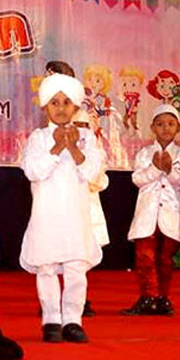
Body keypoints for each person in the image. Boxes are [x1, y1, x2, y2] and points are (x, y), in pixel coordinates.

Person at [20, 73, 103, 343]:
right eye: (54, 102)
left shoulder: (87, 137)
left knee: (76, 268)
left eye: (67, 102)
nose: (60, 108)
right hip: (46, 214)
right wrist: (57, 147)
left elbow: (93, 173)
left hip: (76, 215)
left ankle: (73, 320)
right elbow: (33, 171)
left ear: (76, 106)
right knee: (46, 267)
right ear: (45, 106)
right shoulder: (38, 138)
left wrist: (74, 148)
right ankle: (51, 320)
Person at [122, 104, 180, 316]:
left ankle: (162, 298)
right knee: (145, 256)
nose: (166, 128)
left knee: (165, 259)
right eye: (160, 124)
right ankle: (148, 297)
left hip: (170, 215)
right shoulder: (145, 154)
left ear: (178, 128)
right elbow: (137, 179)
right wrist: (155, 168)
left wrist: (170, 170)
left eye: (171, 124)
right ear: (153, 127)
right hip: (147, 215)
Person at [73, 110, 109, 317]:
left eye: (85, 125)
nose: (81, 130)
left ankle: (80, 299)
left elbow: (99, 180)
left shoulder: (97, 151)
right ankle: (55, 299)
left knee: (83, 258)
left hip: (88, 206)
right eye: (76, 124)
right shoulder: (56, 147)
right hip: (63, 208)